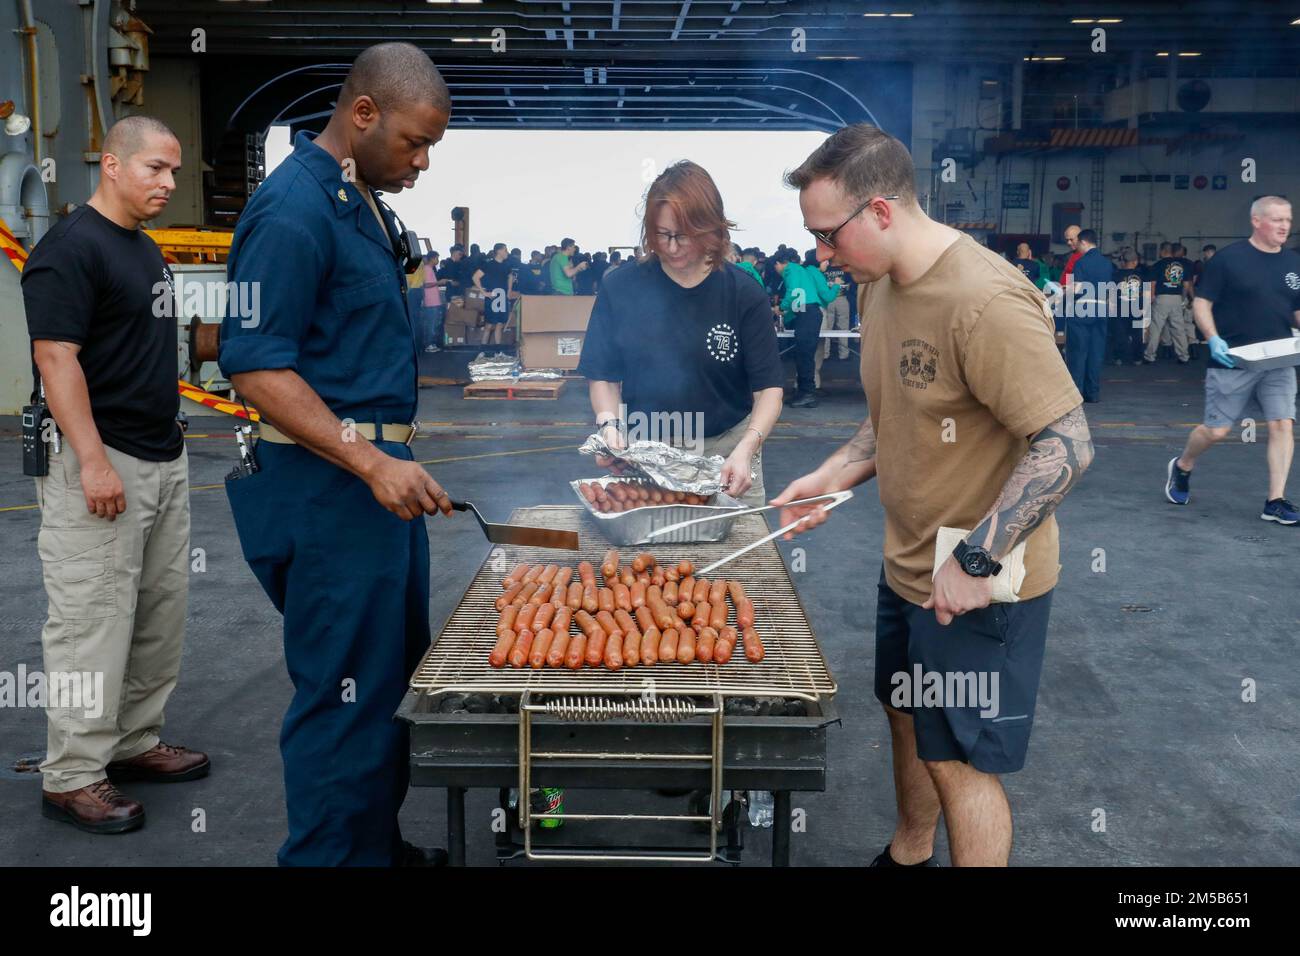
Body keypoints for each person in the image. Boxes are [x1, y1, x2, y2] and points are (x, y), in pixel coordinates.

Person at [772, 124, 1093, 868]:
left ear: (880, 212)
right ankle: (909, 853)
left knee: (960, 761)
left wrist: (977, 559)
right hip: (910, 566)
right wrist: (834, 473)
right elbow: (897, 415)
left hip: (981, 581)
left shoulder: (985, 299)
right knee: (908, 715)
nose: (819, 255)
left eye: (827, 235)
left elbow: (1067, 444)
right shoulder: (881, 284)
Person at [218, 42, 456, 867]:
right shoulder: (293, 210)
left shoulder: (360, 202)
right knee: (341, 695)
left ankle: (371, 848)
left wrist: (388, 463)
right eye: (414, 142)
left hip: (370, 493)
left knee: (382, 684)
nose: (423, 162)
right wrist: (372, 461)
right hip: (328, 493)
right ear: (363, 115)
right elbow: (253, 364)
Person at [21, 115, 209, 835]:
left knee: (158, 616)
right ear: (110, 164)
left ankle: (132, 741)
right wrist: (94, 461)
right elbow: (55, 360)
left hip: (161, 455)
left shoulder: (144, 250)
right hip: (100, 461)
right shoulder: (70, 250)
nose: (168, 183)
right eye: (155, 169)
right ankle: (72, 773)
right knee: (90, 622)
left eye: (172, 170)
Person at [576, 160, 784, 506]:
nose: (671, 247)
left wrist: (747, 448)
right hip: (646, 451)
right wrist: (609, 427)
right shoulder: (621, 287)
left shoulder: (743, 292)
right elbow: (603, 376)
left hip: (727, 453)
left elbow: (769, 390)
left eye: (683, 236)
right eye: (662, 234)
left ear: (711, 229)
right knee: (653, 558)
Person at [1165, 196, 1300, 525]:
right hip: (1233, 358)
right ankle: (1182, 467)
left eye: (1288, 219)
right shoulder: (1229, 260)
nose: (1285, 226)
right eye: (1277, 219)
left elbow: (1294, 309)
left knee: (1283, 424)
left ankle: (1275, 501)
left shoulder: (1293, 262)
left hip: (1278, 358)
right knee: (1216, 430)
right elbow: (1202, 303)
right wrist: (1213, 339)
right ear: (1256, 221)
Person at [776, 248, 835, 407]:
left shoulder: (790, 270)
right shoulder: (799, 269)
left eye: (775, 266)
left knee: (804, 357)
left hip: (808, 315)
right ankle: (805, 392)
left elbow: (794, 293)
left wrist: (781, 308)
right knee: (804, 356)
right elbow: (799, 300)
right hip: (809, 314)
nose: (776, 270)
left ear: (780, 263)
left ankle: (808, 394)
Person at [1064, 229, 1113, 403]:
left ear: (1084, 242)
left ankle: (1077, 393)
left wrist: (1065, 292)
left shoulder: (1081, 263)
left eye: (1077, 243)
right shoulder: (1108, 264)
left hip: (1081, 312)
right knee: (1095, 353)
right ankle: (1092, 393)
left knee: (1078, 353)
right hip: (1100, 312)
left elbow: (1075, 290)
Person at [1144, 242, 1195, 363]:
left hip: (1162, 297)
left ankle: (1149, 356)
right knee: (1179, 328)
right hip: (1177, 298)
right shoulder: (1182, 266)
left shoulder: (1158, 265)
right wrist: (1182, 298)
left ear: (1163, 251)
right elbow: (1187, 285)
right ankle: (1184, 356)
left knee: (1156, 328)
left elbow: (1153, 283)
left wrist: (1150, 298)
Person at [1108, 248, 1147, 366]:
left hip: (1120, 308)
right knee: (1137, 334)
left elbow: (1111, 293)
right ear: (1135, 261)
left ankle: (1118, 358)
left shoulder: (1115, 275)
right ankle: (1137, 358)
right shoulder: (1142, 275)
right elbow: (1146, 293)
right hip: (1137, 308)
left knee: (1119, 334)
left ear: (1123, 261)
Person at [472, 242, 514, 345]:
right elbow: (475, 277)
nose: (507, 252)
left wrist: (509, 291)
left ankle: (498, 351)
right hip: (493, 298)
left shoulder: (507, 265)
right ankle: (483, 351)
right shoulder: (488, 265)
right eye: (505, 250)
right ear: (499, 251)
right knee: (489, 325)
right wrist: (484, 293)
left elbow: (510, 277)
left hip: (502, 297)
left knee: (500, 324)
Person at [420, 250, 445, 351]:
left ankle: (432, 344)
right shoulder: (427, 269)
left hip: (434, 301)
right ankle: (429, 344)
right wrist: (439, 282)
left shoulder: (430, 268)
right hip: (430, 301)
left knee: (434, 323)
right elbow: (425, 284)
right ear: (432, 258)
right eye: (437, 258)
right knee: (431, 323)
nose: (438, 260)